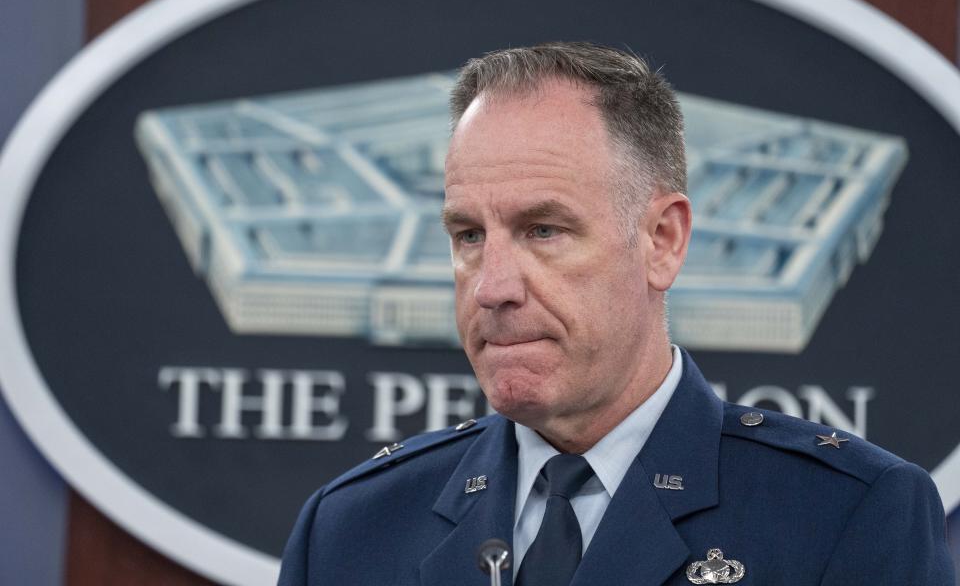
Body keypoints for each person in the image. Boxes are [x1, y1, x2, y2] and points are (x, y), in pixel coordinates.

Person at [278, 42, 954, 585]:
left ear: (662, 241)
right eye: (469, 235)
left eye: (544, 230)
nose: (492, 288)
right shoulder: (350, 530)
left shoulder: (846, 514)